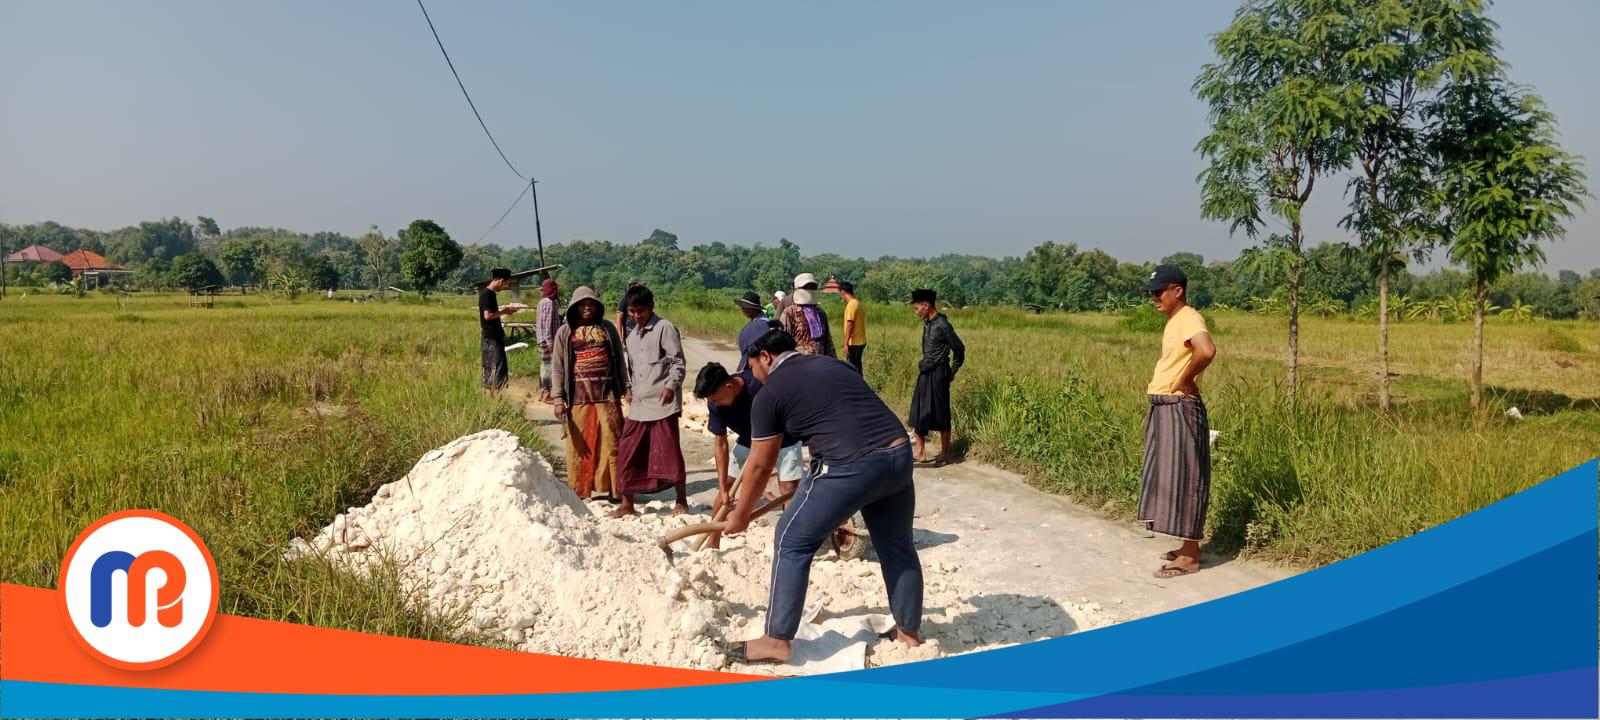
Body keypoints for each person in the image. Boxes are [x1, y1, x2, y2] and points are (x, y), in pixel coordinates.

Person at [722, 330, 923, 665]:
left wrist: (740, 515)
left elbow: (759, 465)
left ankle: (775, 640)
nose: (752, 373)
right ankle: (908, 634)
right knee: (897, 546)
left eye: (752, 365)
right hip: (898, 455)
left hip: (852, 464)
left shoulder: (770, 393)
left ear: (766, 357)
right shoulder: (833, 365)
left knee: (790, 540)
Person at [1138, 264, 1217, 579]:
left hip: (1179, 406)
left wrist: (1186, 381)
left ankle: (1190, 555)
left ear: (1177, 290)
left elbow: (1207, 350)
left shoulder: (1189, 317)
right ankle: (1188, 547)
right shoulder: (1175, 321)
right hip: (1166, 405)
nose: (1153, 298)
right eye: (1151, 293)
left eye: (1158, 292)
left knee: (1188, 476)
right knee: (1170, 476)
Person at [692, 361, 811, 549]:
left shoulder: (760, 384)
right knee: (728, 488)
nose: (714, 403)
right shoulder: (715, 403)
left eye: (716, 399)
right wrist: (723, 487)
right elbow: (720, 444)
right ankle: (712, 542)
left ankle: (789, 543)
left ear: (729, 386)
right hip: (749, 438)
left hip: (784, 437)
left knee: (788, 488)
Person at [615, 285, 689, 517]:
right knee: (627, 452)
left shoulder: (664, 327)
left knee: (669, 453)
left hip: (661, 402)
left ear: (651, 307)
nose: (636, 316)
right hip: (639, 403)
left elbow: (677, 362)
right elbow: (633, 368)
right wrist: (629, 390)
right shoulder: (631, 335)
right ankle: (627, 504)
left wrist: (670, 386)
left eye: (641, 311)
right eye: (632, 312)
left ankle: (681, 500)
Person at [550, 286, 629, 500]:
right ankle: (580, 490)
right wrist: (558, 399)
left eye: (591, 304)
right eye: (583, 304)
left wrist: (626, 387)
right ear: (575, 308)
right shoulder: (565, 333)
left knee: (612, 443)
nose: (587, 307)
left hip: (607, 394)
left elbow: (619, 360)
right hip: (579, 397)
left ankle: (615, 490)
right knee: (580, 446)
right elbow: (557, 367)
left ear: (597, 306)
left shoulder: (608, 329)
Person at [908, 289, 964, 465]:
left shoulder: (943, 325)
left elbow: (959, 350)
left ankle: (945, 453)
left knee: (941, 412)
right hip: (925, 371)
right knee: (919, 411)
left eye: (917, 308)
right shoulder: (927, 324)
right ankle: (920, 452)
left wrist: (951, 372)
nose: (916, 312)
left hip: (940, 374)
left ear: (926, 305)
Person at [478, 268, 522, 390]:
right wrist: (504, 311)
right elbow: (488, 315)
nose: (504, 287)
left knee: (496, 367)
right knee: (495, 368)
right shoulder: (487, 294)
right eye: (505, 284)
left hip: (494, 337)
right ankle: (494, 397)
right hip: (491, 338)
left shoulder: (490, 294)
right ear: (501, 281)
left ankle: (495, 397)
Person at [779, 273, 836, 357]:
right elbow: (782, 341)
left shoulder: (820, 313)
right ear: (797, 289)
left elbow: (828, 341)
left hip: (820, 361)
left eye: (813, 287)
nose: (810, 290)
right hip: (799, 363)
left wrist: (832, 361)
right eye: (806, 287)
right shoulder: (790, 313)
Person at [535, 278, 562, 403]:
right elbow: (547, 325)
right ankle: (546, 394)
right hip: (547, 342)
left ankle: (542, 392)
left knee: (544, 367)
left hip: (543, 341)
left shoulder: (543, 302)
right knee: (548, 368)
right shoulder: (548, 303)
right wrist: (551, 343)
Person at [734, 290, 770, 372]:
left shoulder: (759, 325)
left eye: (744, 307)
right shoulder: (760, 322)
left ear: (752, 309)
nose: (742, 309)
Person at [840, 281, 866, 373]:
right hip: (860, 341)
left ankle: (856, 386)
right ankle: (860, 385)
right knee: (857, 367)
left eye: (840, 294)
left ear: (843, 292)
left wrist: (845, 344)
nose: (841, 296)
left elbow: (850, 325)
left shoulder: (851, 305)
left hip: (854, 343)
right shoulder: (857, 303)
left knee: (853, 368)